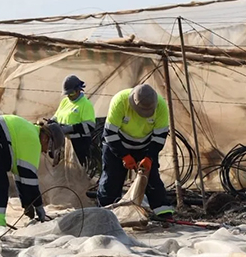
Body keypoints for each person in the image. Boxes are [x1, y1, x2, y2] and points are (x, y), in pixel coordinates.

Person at [97, 84, 174, 218]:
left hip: (145, 146)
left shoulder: (161, 107)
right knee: (111, 178)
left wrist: (149, 157)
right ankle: (105, 213)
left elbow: (159, 137)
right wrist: (124, 156)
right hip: (117, 144)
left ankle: (164, 213)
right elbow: (109, 134)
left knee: (152, 178)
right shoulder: (120, 101)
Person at [52, 75, 96, 166]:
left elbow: (90, 126)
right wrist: (51, 123)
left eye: (71, 94)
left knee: (76, 173)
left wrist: (70, 128)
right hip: (63, 143)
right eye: (67, 94)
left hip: (78, 146)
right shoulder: (64, 102)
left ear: (79, 90)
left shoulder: (85, 104)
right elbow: (56, 117)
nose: (69, 96)